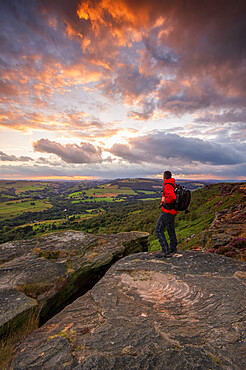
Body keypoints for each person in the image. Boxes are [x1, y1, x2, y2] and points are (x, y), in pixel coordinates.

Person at [155, 171, 178, 258]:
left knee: (158, 229)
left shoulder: (168, 185)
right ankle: (173, 248)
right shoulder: (172, 184)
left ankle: (165, 251)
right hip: (173, 211)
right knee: (170, 229)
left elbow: (172, 197)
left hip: (168, 211)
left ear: (164, 177)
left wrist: (165, 203)